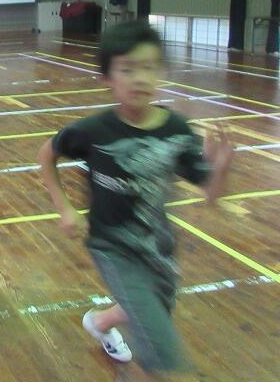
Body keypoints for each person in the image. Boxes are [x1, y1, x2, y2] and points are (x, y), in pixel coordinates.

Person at [37, 20, 233, 380]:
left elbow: (211, 195)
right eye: (127, 69)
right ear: (107, 77)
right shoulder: (92, 131)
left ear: (161, 72)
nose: (140, 78)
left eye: (149, 67)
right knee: (159, 349)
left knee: (149, 307)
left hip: (158, 247)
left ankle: (99, 322)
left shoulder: (176, 130)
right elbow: (46, 154)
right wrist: (65, 208)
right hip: (112, 247)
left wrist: (219, 168)